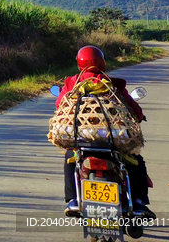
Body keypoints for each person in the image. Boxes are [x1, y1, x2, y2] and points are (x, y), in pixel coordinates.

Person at [56, 45, 154, 218]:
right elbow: (134, 110)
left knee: (69, 159)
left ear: (79, 64)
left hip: (82, 137)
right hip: (111, 138)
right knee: (136, 161)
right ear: (103, 63)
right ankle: (138, 202)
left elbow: (60, 106)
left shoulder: (71, 83)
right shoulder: (114, 85)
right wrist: (138, 117)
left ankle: (72, 200)